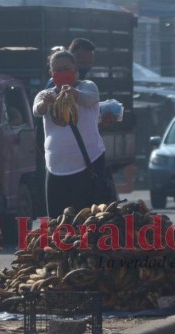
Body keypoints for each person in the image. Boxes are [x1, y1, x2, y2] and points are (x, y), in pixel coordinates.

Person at [32, 50, 107, 218]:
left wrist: (73, 93)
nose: (62, 73)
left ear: (75, 69)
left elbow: (89, 99)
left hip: (88, 164)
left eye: (66, 68)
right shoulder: (46, 94)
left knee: (88, 220)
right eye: (57, 70)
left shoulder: (87, 86)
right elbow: (37, 110)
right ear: (51, 73)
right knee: (58, 222)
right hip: (56, 168)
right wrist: (46, 103)